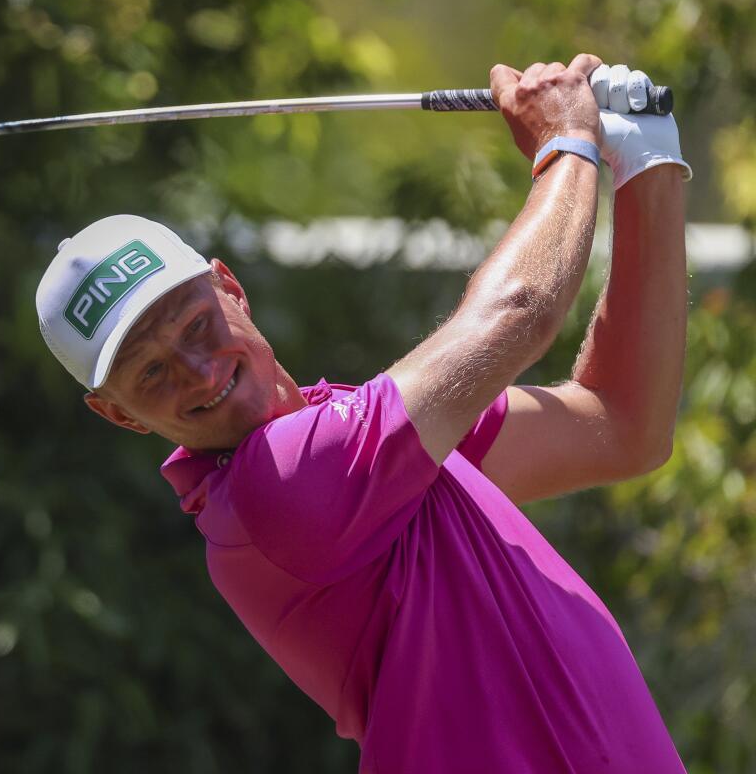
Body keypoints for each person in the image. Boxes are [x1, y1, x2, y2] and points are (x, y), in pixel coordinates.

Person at [35, 53, 691, 772]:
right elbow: (517, 313)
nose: (198, 371)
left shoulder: (358, 435)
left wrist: (648, 159)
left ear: (230, 287)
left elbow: (621, 424)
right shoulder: (279, 486)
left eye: (196, 325)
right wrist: (569, 141)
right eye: (151, 372)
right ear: (120, 415)